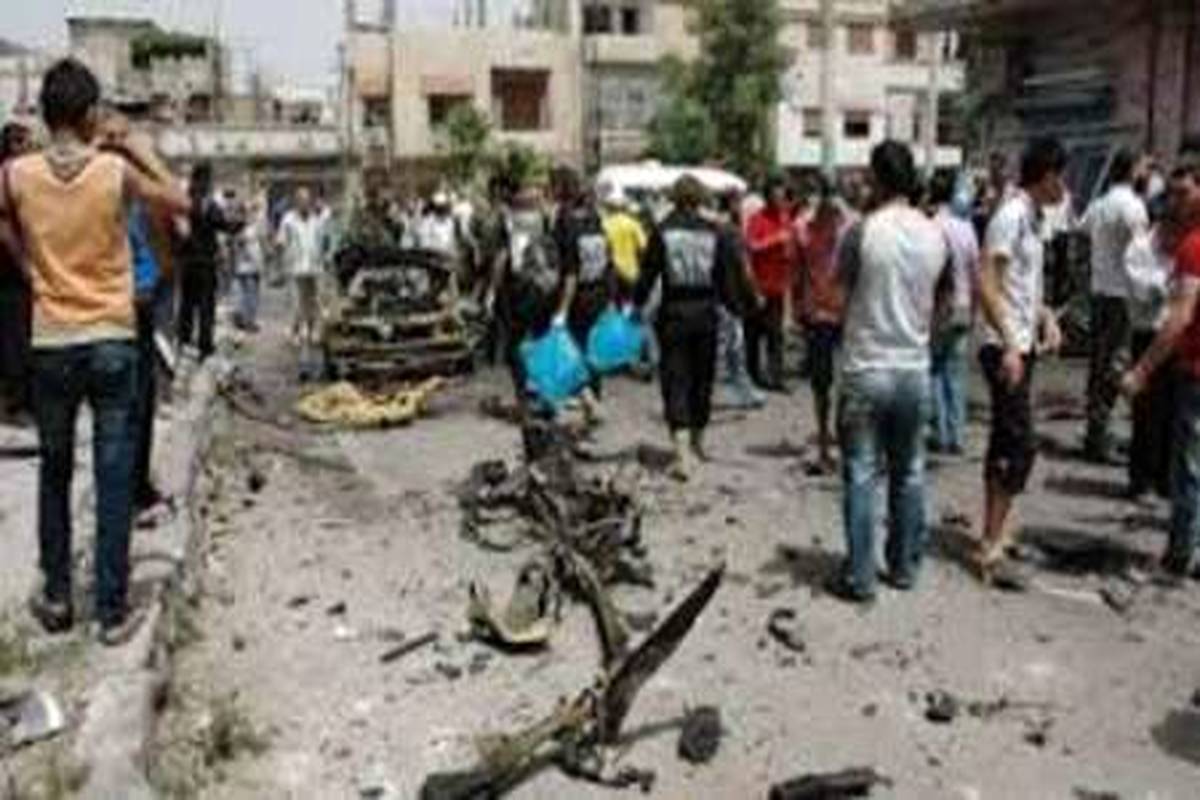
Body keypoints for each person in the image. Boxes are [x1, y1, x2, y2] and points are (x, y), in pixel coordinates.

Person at [0, 59, 190, 643]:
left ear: (44, 113)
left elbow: (3, 221)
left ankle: (58, 597)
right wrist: (133, 143)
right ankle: (110, 610)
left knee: (54, 470)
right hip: (110, 336)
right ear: (89, 116)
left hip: (52, 340)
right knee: (113, 473)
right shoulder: (113, 172)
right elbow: (178, 200)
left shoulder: (16, 175)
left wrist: (30, 267)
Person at [827, 141, 949, 604]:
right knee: (910, 471)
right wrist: (922, 339)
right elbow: (945, 303)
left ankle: (860, 577)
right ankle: (903, 566)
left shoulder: (862, 233)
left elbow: (837, 300)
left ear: (877, 179)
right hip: (913, 369)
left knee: (860, 473)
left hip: (866, 368)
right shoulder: (934, 234)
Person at [975, 137, 1068, 583]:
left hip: (1022, 343)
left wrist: (1045, 316)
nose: (1064, 186)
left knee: (1005, 439)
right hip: (1002, 346)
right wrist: (1011, 345)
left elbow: (1022, 284)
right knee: (1020, 444)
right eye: (1061, 176)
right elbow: (987, 283)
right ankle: (991, 544)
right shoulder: (1010, 216)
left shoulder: (1034, 218)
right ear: (1046, 175)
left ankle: (994, 534)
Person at [634, 176, 750, 481]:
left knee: (675, 378)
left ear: (674, 198)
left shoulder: (662, 231)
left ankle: (683, 453)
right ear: (700, 198)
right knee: (703, 377)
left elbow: (648, 274)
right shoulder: (715, 231)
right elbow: (726, 275)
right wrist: (738, 308)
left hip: (674, 311)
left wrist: (636, 305)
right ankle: (698, 442)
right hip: (706, 312)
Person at [1122, 160, 1200, 581]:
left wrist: (1141, 371)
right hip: (1181, 358)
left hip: (1192, 367)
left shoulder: (1193, 248)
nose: (1175, 202)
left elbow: (1180, 317)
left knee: (1189, 467)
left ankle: (1182, 553)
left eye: (1184, 193)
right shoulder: (1157, 245)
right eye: (1172, 194)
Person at [97, 107, 171, 512]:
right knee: (119, 411)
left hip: (135, 307)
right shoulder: (88, 186)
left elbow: (175, 224)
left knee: (138, 406)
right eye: (107, 136)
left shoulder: (140, 195)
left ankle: (134, 486)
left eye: (121, 137)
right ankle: (122, 493)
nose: (115, 145)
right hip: (102, 310)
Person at [1080, 150, 1150, 463]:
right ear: (1133, 170)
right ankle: (1105, 434)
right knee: (1117, 364)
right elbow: (1142, 251)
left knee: (1100, 363)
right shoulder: (1133, 206)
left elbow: (1082, 229)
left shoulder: (1100, 204)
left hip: (1100, 290)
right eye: (1143, 167)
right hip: (1123, 294)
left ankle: (1095, 431)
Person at [1123, 199, 1181, 501]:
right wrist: (1169, 284)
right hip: (1147, 334)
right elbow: (1142, 292)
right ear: (1163, 225)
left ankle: (1166, 479)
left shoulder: (1183, 249)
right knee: (1146, 411)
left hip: (1175, 337)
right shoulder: (1140, 249)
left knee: (1173, 410)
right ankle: (1141, 479)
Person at [797, 179, 850, 471]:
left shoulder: (842, 233)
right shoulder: (809, 233)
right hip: (825, 313)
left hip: (831, 313)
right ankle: (827, 443)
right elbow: (799, 273)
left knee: (830, 385)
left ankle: (830, 442)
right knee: (827, 384)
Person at [928, 170, 981, 455]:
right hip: (962, 306)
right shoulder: (966, 228)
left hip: (939, 308)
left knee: (936, 369)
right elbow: (975, 275)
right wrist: (975, 309)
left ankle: (941, 432)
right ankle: (957, 433)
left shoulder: (932, 227)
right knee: (957, 373)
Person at [553, 167, 611, 422]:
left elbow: (570, 272)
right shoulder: (595, 220)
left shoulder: (565, 222)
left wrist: (562, 310)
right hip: (599, 293)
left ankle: (587, 400)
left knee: (571, 350)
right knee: (592, 351)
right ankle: (593, 399)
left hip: (578, 296)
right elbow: (607, 262)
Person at [177, 162, 238, 361]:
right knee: (206, 305)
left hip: (187, 262)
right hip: (205, 262)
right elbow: (223, 224)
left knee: (187, 304)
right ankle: (205, 345)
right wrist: (238, 224)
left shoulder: (184, 199)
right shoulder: (208, 203)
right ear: (205, 179)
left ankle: (184, 341)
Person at [744, 175, 797, 391]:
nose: (781, 200)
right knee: (754, 334)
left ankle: (776, 377)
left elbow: (791, 243)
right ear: (768, 197)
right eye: (776, 196)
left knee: (776, 334)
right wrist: (775, 240)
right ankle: (753, 376)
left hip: (779, 285)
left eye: (783, 196)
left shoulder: (785, 218)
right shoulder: (757, 219)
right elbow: (751, 246)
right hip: (759, 285)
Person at [0, 119, 34, 420]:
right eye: (24, 143)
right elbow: (5, 229)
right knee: (16, 337)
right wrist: (25, 265)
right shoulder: (8, 174)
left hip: (20, 269)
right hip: (11, 272)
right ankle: (16, 402)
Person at [277, 187, 327, 346]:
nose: (305, 203)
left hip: (314, 266)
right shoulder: (288, 220)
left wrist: (323, 257)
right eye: (301, 200)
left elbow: (322, 240)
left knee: (314, 301)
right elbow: (281, 241)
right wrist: (282, 261)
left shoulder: (316, 219)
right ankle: (295, 332)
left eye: (307, 200)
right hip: (295, 266)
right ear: (296, 202)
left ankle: (312, 331)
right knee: (296, 303)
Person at [232, 198, 267, 332]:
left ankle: (244, 318)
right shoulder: (247, 228)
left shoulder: (241, 227)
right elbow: (241, 243)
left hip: (246, 266)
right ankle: (249, 321)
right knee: (250, 294)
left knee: (245, 294)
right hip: (249, 266)